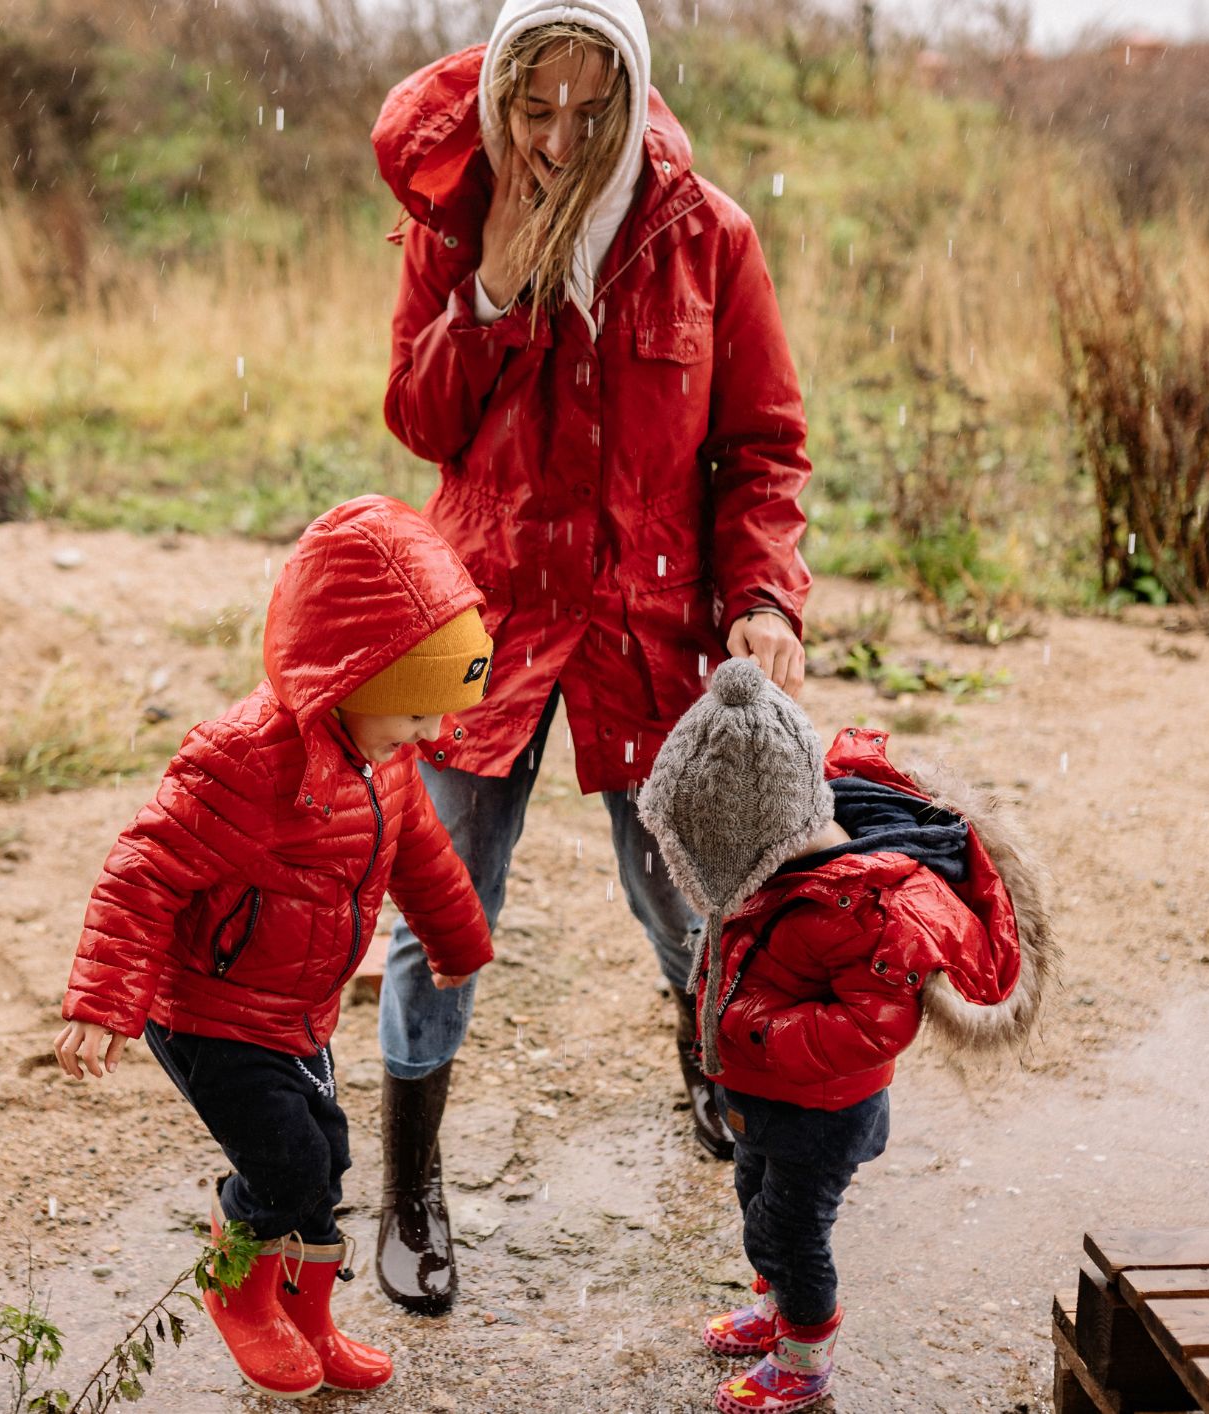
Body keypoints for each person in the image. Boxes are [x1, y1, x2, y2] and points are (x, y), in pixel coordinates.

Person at [368, 0, 815, 1311]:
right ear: (501, 93)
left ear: (632, 91)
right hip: (488, 618)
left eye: (588, 107)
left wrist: (768, 598)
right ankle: (409, 1189)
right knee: (440, 915)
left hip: (650, 619)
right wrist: (491, 293)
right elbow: (417, 417)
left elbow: (763, 448)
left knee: (691, 896)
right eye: (532, 106)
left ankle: (711, 1070)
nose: (559, 140)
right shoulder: (459, 222)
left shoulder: (707, 236)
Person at [53, 496, 497, 1398]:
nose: (430, 735)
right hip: (210, 1010)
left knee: (324, 1166)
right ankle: (237, 1295)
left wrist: (457, 937)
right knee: (284, 1165)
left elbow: (420, 853)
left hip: (299, 1009)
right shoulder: (245, 761)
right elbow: (143, 870)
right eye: (415, 714)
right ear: (353, 678)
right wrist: (104, 1001)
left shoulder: (387, 759)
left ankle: (310, 1321)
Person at [635, 659, 1055, 1411]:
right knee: (754, 1195)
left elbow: (878, 1024)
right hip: (767, 1095)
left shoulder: (862, 908)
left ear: (765, 832)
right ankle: (776, 1308)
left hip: (825, 1111)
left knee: (790, 1231)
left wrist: (758, 1031)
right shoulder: (777, 875)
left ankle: (805, 1352)